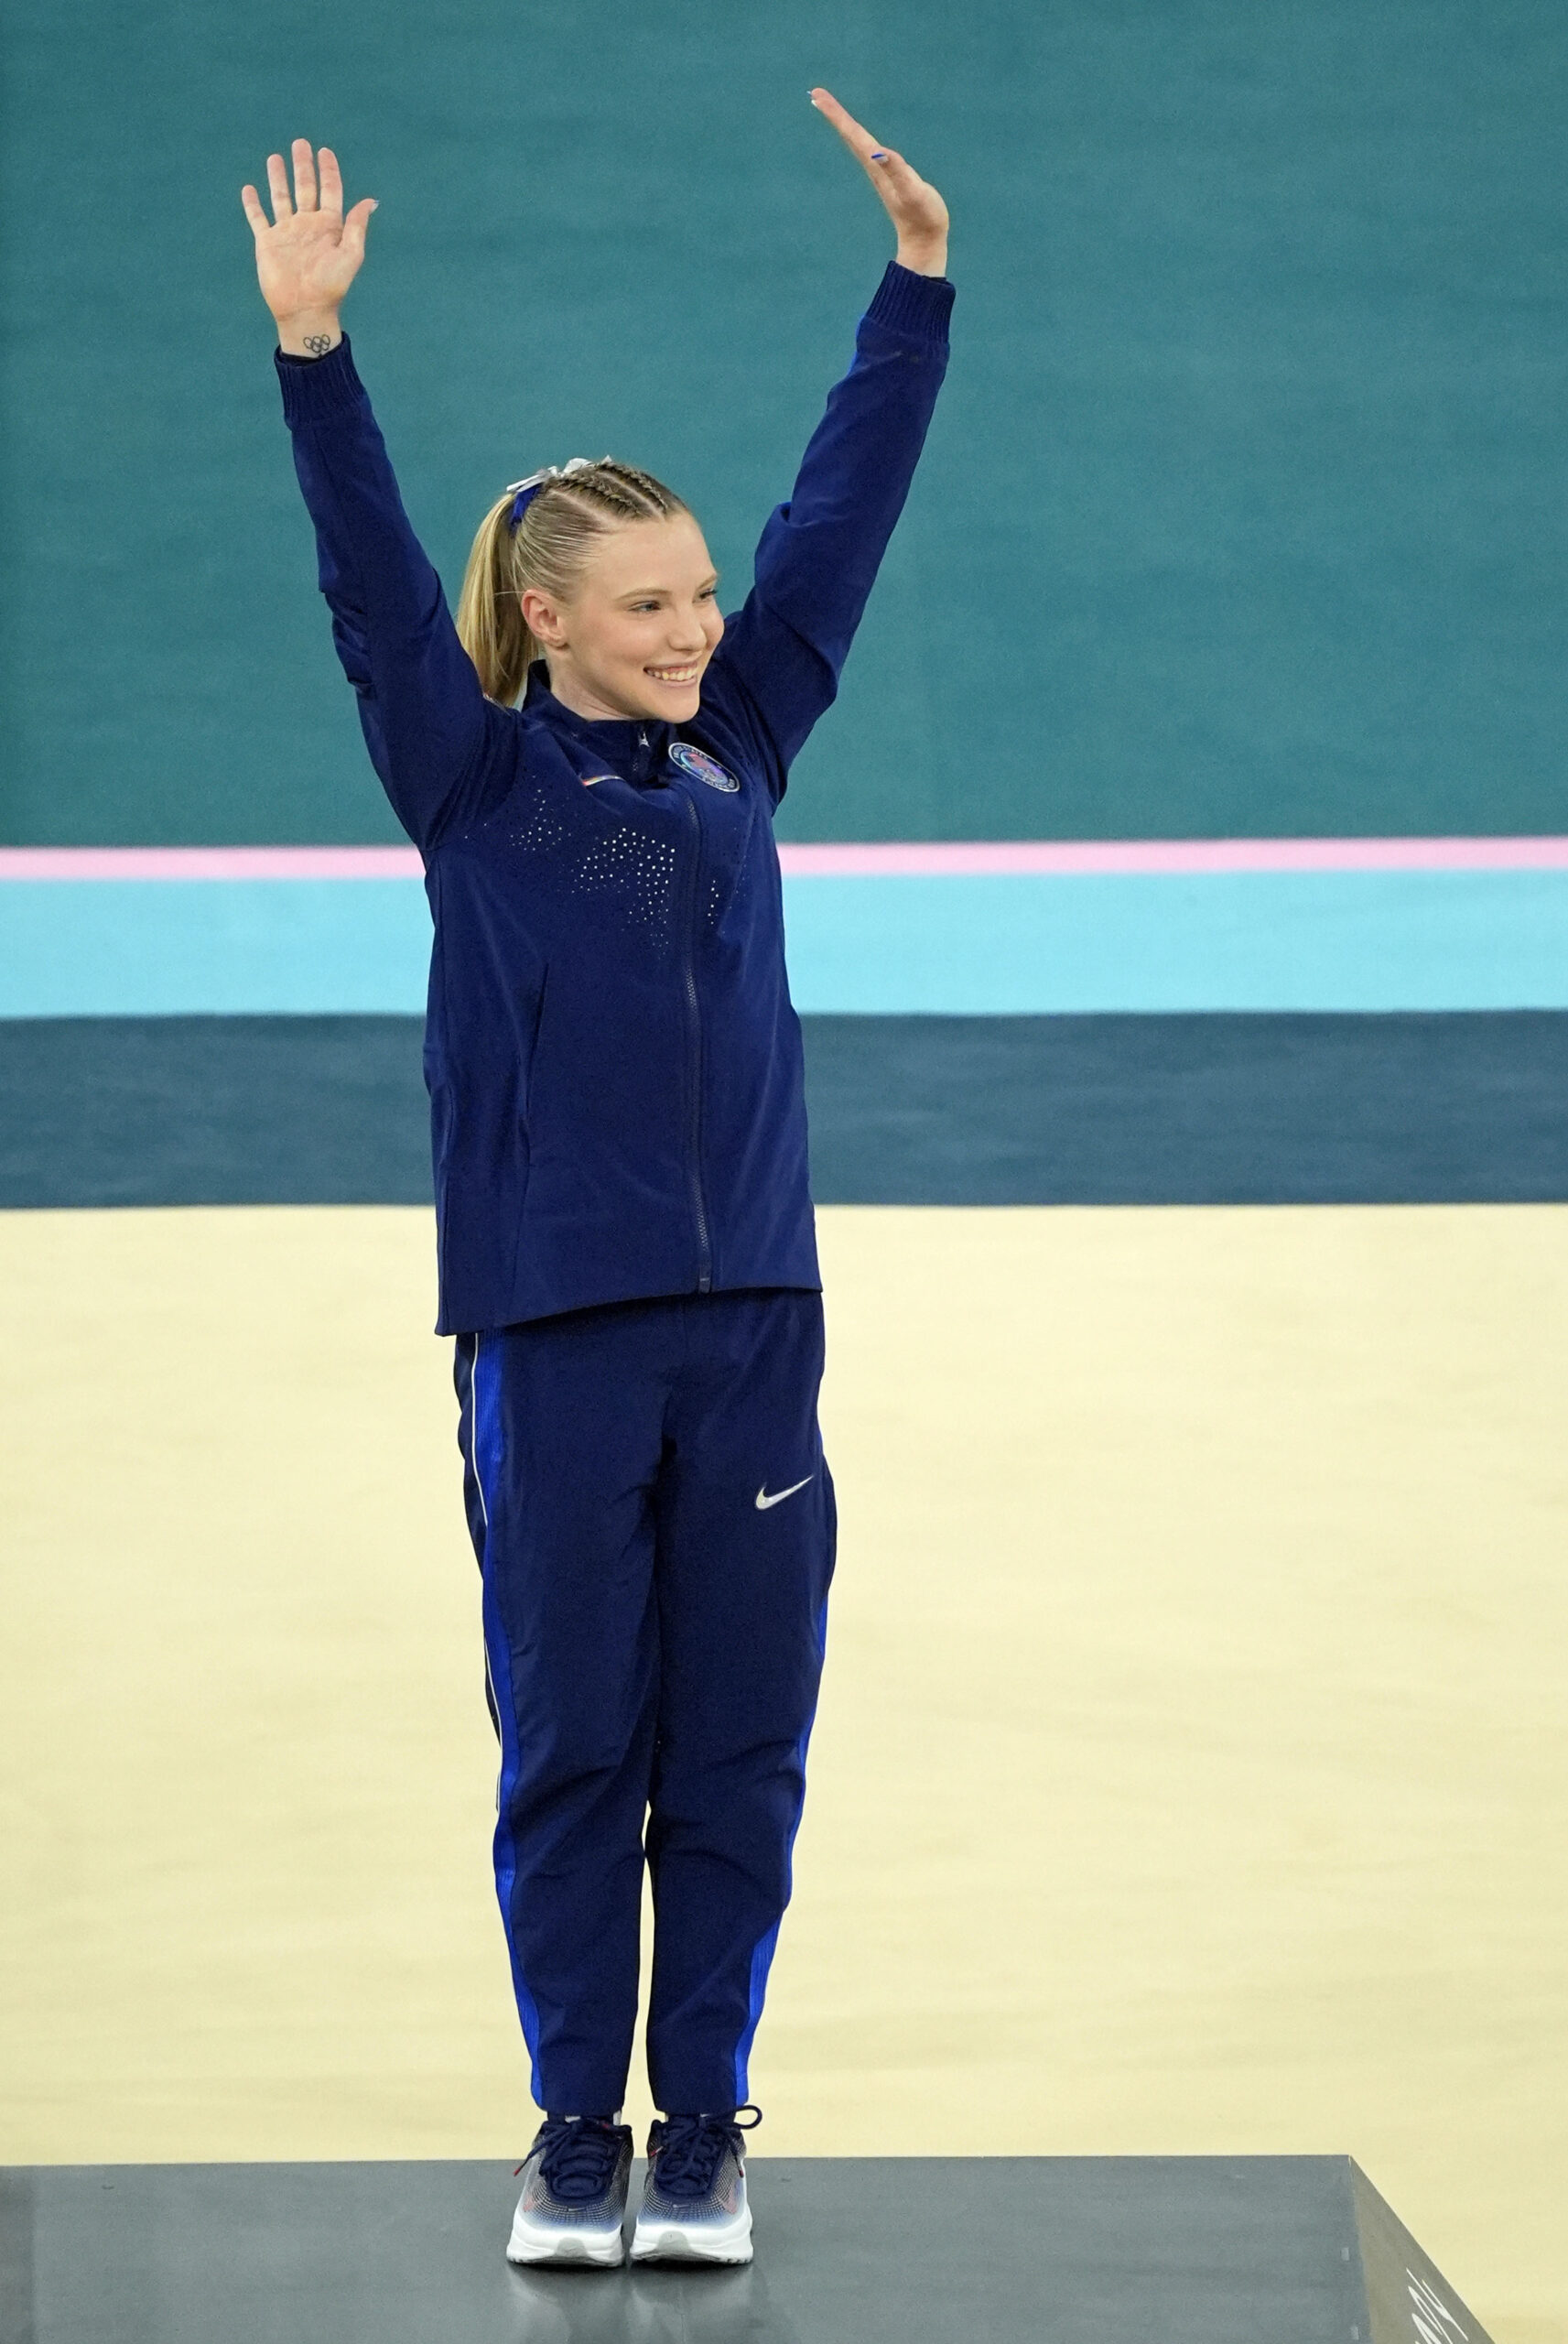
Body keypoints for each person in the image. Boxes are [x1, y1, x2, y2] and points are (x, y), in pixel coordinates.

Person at [241, 92, 952, 2270]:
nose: (695, 624)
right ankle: (573, 2131)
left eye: (701, 594)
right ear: (546, 623)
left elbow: (840, 519)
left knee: (736, 1748)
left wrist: (912, 295)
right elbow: (368, 578)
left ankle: (704, 2122)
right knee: (570, 1746)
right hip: (549, 1341)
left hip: (751, 1331)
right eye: (648, 602)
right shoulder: (464, 775)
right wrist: (312, 357)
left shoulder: (741, 737)